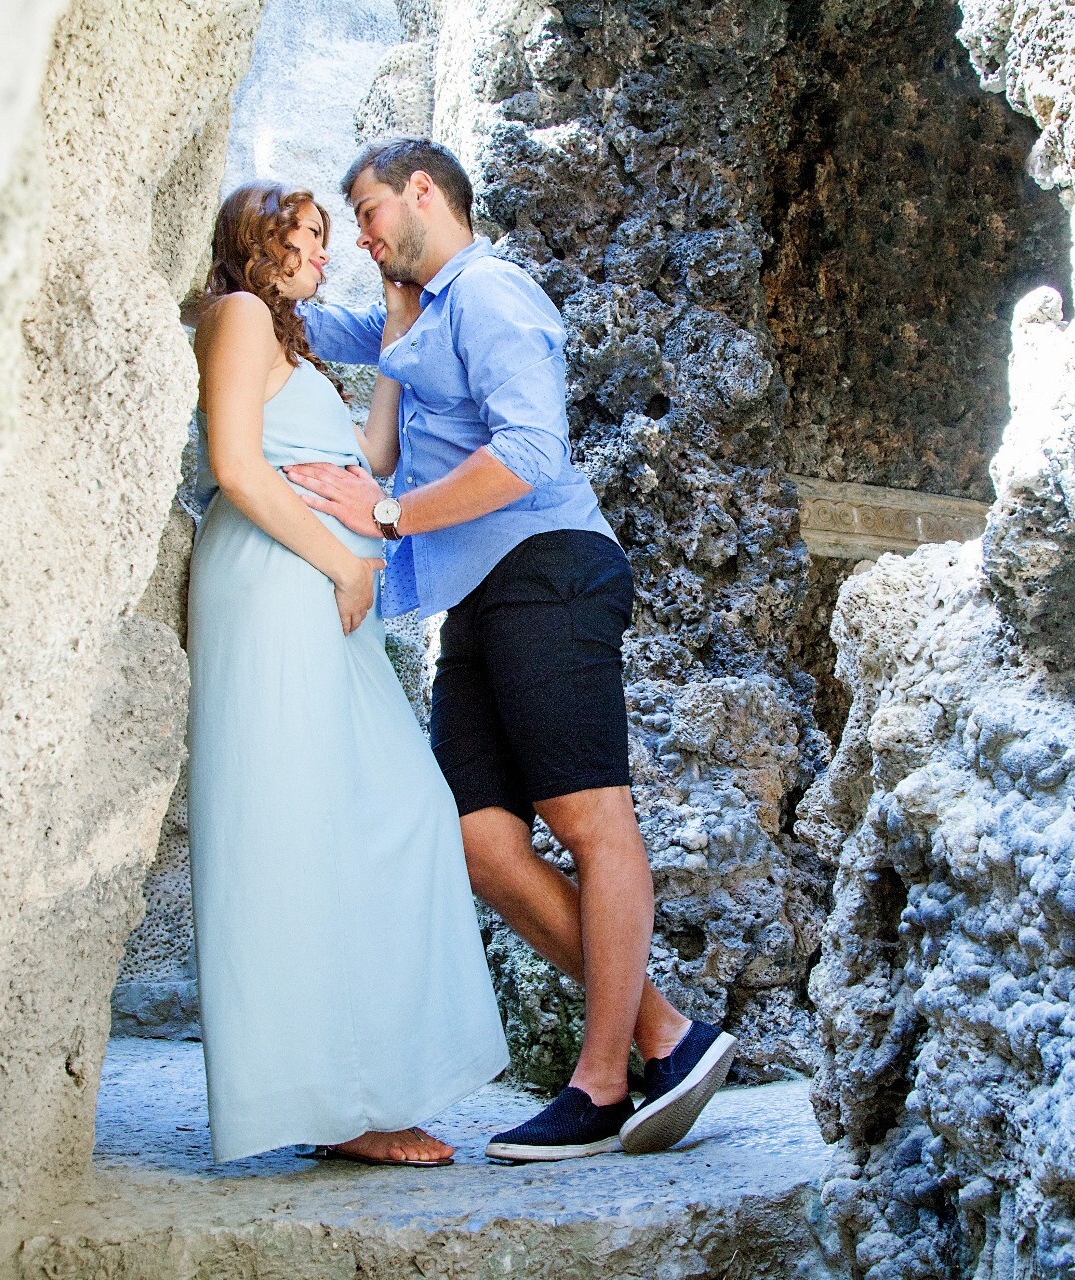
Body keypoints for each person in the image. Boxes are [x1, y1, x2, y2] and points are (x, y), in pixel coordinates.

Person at [287, 137, 738, 1162]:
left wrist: (388, 511)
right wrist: (224, 289)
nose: (358, 238)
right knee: (478, 839)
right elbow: (309, 324)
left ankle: (603, 1081)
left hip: (549, 568)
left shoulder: (489, 292)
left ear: (421, 191)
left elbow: (531, 450)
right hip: (474, 594)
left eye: (365, 213)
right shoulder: (418, 312)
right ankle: (667, 1034)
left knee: (588, 818)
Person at [187, 180, 508, 1167]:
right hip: (279, 584)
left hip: (324, 594)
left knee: (404, 810)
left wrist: (399, 336)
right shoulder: (238, 314)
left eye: (329, 235)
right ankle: (335, 1104)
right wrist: (342, 563)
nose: (322, 253)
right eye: (305, 234)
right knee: (294, 832)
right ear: (256, 238)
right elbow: (236, 465)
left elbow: (370, 456)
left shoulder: (291, 347)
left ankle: (359, 1084)